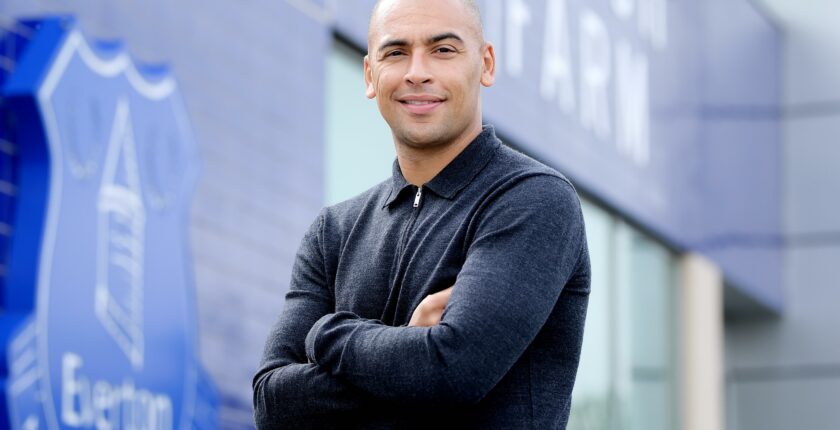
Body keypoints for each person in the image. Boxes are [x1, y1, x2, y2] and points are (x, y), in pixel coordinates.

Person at [252, 0, 590, 428]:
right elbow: (272, 403)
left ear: (485, 64)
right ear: (370, 75)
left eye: (443, 50)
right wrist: (408, 357)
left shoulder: (532, 200)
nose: (417, 72)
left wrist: (327, 334)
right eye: (395, 53)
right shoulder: (333, 232)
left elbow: (454, 372)